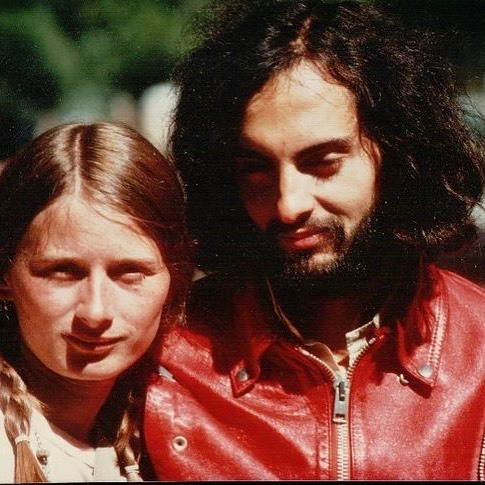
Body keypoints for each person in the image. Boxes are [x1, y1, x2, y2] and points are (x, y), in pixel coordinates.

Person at [143, 0, 485, 481]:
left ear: (399, 154)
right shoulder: (160, 359)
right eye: (255, 169)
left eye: (322, 163)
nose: (289, 204)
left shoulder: (480, 352)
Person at [0, 121, 193, 482]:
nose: (95, 312)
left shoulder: (151, 436)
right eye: (63, 271)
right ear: (5, 275)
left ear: (174, 278)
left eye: (130, 273)